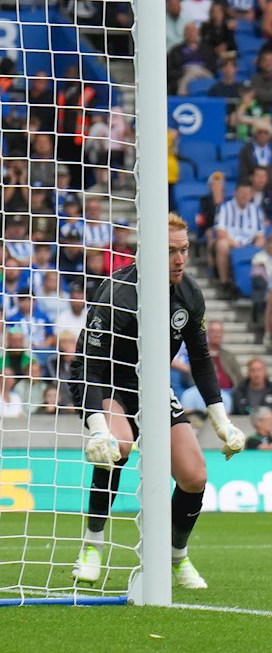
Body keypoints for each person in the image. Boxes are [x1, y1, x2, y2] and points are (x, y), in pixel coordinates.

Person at [71, 214, 246, 589]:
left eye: (183, 250)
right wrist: (97, 426)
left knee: (195, 475)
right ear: (147, 252)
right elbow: (86, 368)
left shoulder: (190, 294)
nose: (180, 259)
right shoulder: (118, 294)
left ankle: (176, 556)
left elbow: (200, 360)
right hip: (109, 385)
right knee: (116, 447)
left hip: (153, 387)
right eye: (170, 251)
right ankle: (92, 546)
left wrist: (221, 421)